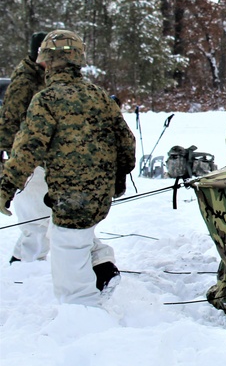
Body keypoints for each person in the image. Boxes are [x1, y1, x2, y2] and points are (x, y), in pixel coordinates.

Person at [0, 30, 135, 306]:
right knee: (76, 239)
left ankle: (84, 323)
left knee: (72, 282)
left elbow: (27, 149)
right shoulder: (99, 96)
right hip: (98, 197)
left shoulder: (46, 99)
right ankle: (102, 272)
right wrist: (119, 176)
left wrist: (6, 186)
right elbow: (127, 143)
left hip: (67, 198)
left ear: (46, 62)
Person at [0, 32, 48, 263]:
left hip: (40, 156)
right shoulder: (25, 80)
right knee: (36, 218)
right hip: (27, 157)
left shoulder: (45, 76)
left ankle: (26, 261)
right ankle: (26, 267)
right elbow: (10, 121)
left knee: (42, 215)